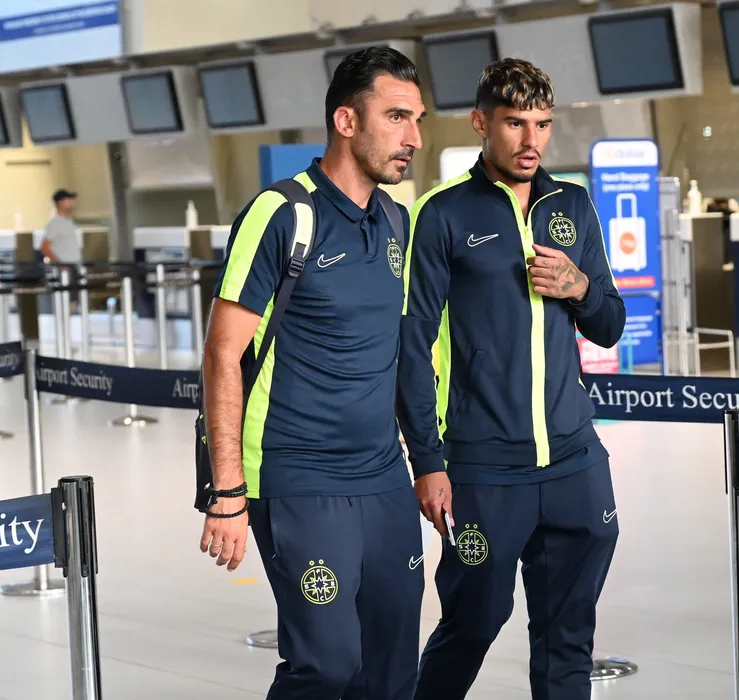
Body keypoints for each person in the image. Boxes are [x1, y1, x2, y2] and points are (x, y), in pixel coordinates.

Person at [199, 46, 427, 700]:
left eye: (416, 119)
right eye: (396, 117)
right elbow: (222, 353)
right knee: (327, 666)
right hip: (297, 476)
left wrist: (428, 461)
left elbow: (399, 351)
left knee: (393, 672)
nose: (413, 137)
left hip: (383, 477)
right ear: (346, 121)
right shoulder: (282, 214)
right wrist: (226, 491)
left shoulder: (395, 220)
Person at [396, 57, 625, 700]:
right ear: (481, 123)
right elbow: (412, 347)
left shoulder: (571, 204)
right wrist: (427, 462)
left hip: (575, 462)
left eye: (542, 124)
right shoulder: (442, 215)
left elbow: (609, 325)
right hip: (484, 467)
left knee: (568, 638)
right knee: (473, 623)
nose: (531, 140)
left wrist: (579, 287)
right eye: (515, 123)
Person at [40, 189, 80, 264]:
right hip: (65, 267)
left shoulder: (69, 221)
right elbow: (45, 248)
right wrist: (59, 265)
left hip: (74, 265)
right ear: (60, 202)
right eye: (68, 199)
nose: (72, 202)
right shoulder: (55, 223)